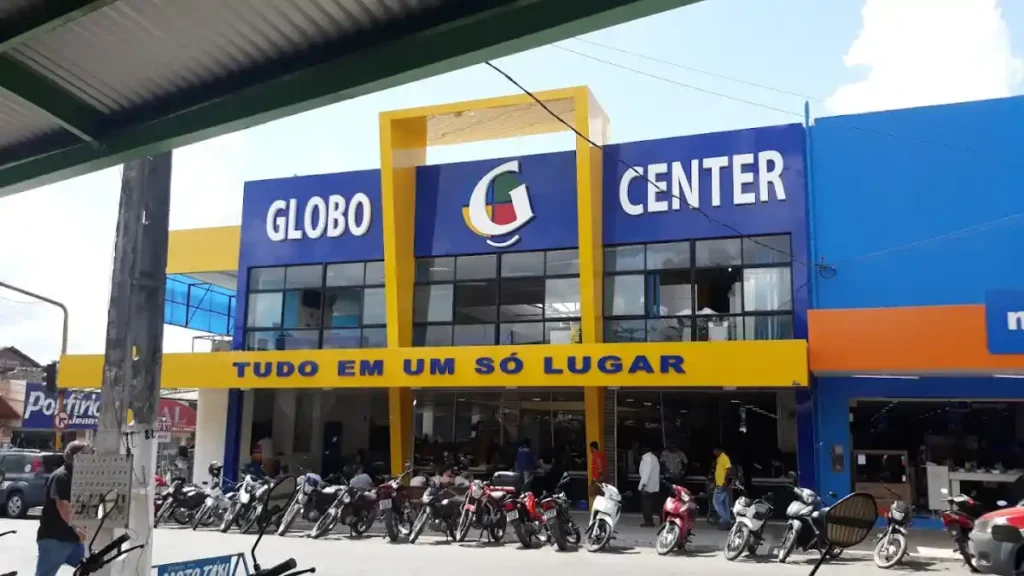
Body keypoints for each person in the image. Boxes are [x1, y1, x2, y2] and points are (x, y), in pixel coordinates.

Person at [35, 440, 92, 576]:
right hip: (55, 539)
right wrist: (79, 530)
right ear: (75, 457)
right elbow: (63, 507)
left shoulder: (77, 476)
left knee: (86, 569)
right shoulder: (62, 476)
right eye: (86, 455)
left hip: (72, 539)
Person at [637, 445, 660, 527]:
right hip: (653, 486)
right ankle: (662, 518)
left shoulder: (647, 459)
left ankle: (649, 522)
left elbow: (646, 474)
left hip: (647, 486)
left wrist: (643, 485)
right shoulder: (653, 457)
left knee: (646, 505)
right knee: (654, 504)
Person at [712, 446, 734, 530]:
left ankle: (725, 519)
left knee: (716, 502)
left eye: (715, 450)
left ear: (719, 450)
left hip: (722, 484)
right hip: (720, 484)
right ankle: (726, 522)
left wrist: (726, 481)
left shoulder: (724, 457)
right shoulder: (719, 458)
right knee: (725, 504)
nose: (713, 452)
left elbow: (728, 469)